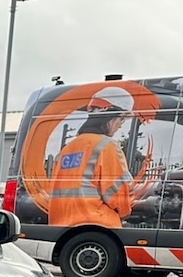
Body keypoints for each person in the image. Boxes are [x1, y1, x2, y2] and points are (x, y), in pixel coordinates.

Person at [47, 97, 136, 227]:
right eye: (121, 119)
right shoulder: (107, 146)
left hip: (62, 227)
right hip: (98, 228)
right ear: (110, 117)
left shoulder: (66, 150)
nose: (120, 124)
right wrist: (126, 210)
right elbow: (119, 195)